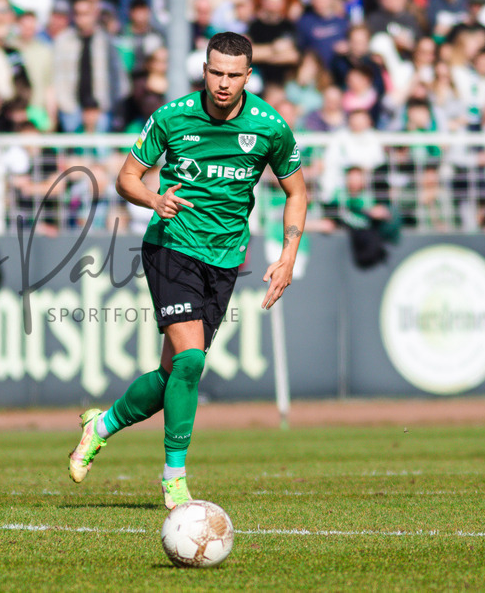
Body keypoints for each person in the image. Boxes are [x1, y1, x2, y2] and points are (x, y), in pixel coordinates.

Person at [67, 32, 307, 509]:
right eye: (215, 72)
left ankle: (102, 425)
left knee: (173, 372)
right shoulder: (172, 117)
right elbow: (125, 178)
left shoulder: (270, 126)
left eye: (233, 75)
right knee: (192, 360)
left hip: (225, 260)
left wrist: (287, 256)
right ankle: (173, 477)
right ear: (204, 69)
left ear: (248, 77)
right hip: (170, 246)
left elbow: (296, 192)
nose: (223, 83)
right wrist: (155, 198)